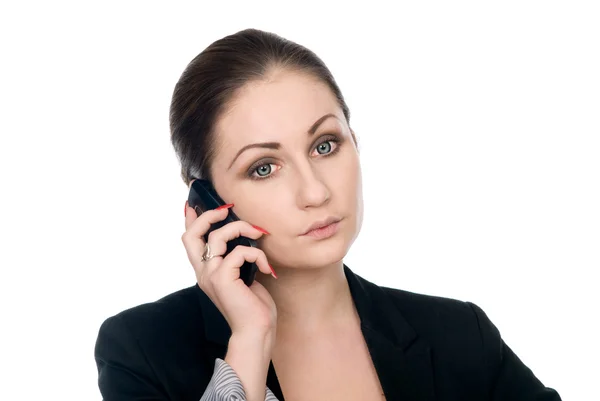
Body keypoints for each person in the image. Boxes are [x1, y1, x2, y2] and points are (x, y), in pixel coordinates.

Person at [94, 28, 562, 401]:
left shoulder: (460, 336)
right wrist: (249, 346)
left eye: (324, 145)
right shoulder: (141, 351)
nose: (315, 192)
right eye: (264, 168)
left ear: (355, 142)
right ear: (206, 203)